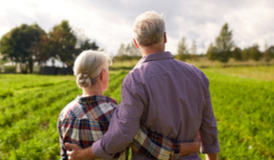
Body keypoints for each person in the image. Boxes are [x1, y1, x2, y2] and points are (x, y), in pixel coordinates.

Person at [65, 11, 220, 160]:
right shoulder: (197, 75)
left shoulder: (135, 79)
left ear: (135, 43)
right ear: (165, 37)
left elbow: (123, 134)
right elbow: (209, 128)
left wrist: (84, 155)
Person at [58, 50, 201, 160]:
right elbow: (154, 149)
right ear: (102, 75)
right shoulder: (117, 115)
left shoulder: (64, 114)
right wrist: (191, 147)